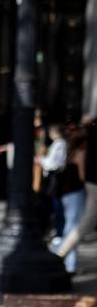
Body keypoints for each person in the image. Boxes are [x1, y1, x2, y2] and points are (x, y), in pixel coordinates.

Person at [39, 123, 85, 273]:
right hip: (73, 192)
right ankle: (62, 258)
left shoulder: (64, 147)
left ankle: (60, 256)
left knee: (67, 225)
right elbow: (82, 176)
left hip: (66, 192)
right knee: (72, 227)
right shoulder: (73, 150)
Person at [54, 115, 97, 261]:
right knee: (81, 222)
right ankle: (62, 255)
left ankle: (62, 254)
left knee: (79, 222)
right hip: (84, 187)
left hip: (84, 187)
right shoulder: (83, 148)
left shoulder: (80, 146)